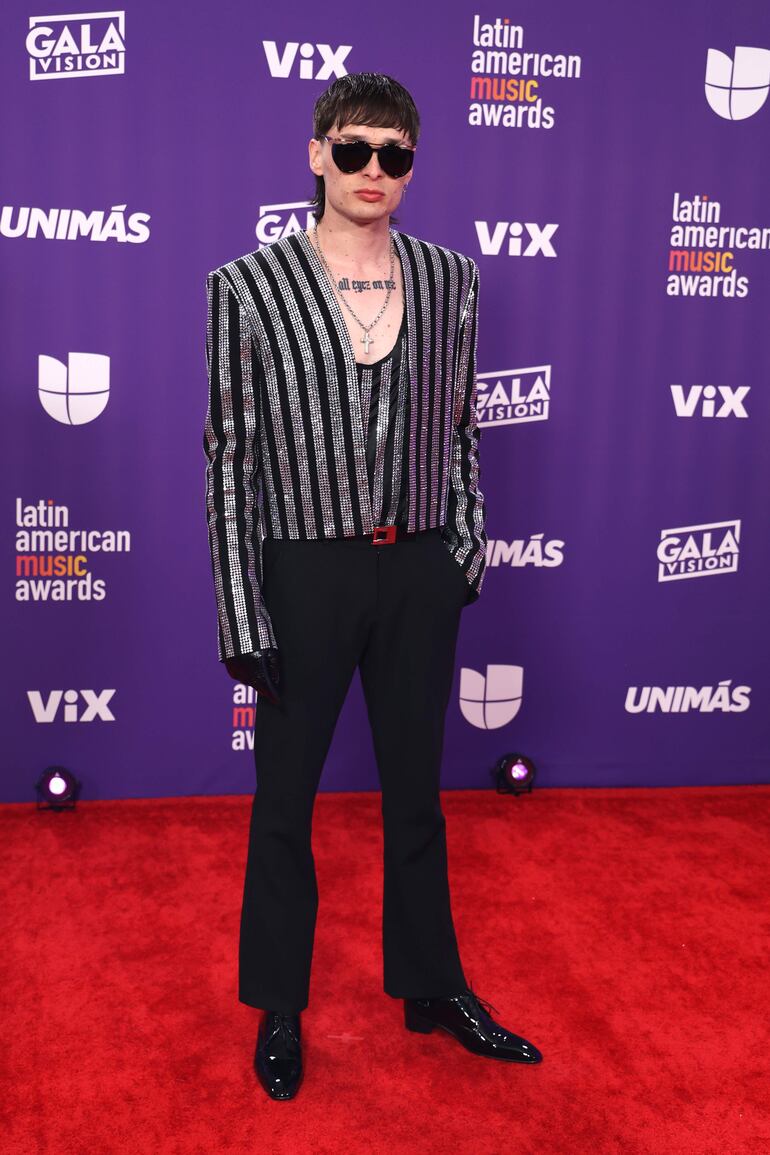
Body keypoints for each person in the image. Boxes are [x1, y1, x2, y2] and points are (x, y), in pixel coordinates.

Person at [203, 71, 542, 1101]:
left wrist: (464, 548)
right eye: (352, 151)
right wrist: (239, 604)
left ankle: (430, 986)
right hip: (303, 568)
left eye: (393, 156)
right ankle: (278, 1004)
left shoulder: (449, 278)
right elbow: (229, 460)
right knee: (283, 801)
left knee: (416, 796)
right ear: (315, 156)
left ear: (411, 165)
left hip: (419, 564)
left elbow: (462, 425)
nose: (372, 172)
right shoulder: (246, 287)